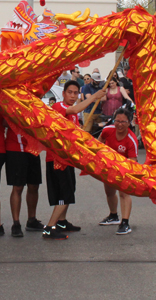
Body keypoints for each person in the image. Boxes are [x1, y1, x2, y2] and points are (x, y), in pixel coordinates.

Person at [43, 80, 106, 240]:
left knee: (69, 191)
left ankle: (62, 222)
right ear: (63, 94)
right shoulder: (59, 107)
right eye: (69, 92)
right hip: (58, 159)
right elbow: (75, 108)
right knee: (64, 194)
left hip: (68, 159)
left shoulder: (73, 116)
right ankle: (50, 227)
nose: (72, 96)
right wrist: (94, 97)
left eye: (75, 93)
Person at [98, 108, 138, 235]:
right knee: (109, 192)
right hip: (108, 167)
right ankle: (113, 216)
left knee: (124, 194)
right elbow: (98, 144)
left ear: (129, 122)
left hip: (124, 169)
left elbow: (133, 162)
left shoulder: (131, 139)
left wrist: (123, 172)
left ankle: (125, 223)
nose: (120, 124)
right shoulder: (107, 130)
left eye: (123, 122)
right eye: (117, 121)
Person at [5, 125, 44, 237]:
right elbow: (4, 122)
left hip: (32, 147)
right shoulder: (12, 107)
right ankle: (16, 224)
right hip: (16, 148)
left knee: (34, 185)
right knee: (18, 186)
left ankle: (31, 220)